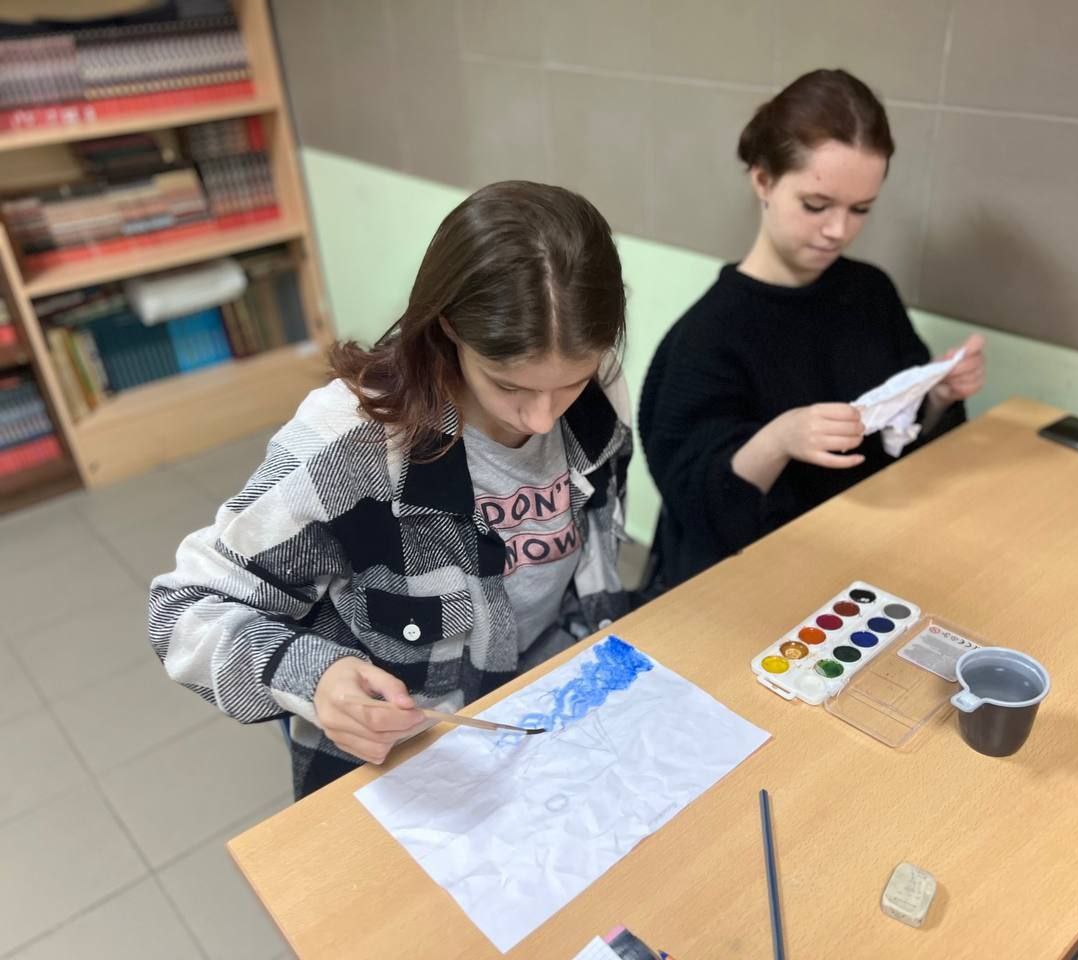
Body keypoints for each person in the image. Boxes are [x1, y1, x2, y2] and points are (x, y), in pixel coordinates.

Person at [149, 181, 633, 798]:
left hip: (548, 710)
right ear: (449, 327)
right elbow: (185, 608)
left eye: (570, 383)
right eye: (509, 385)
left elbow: (593, 559)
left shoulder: (598, 393)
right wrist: (317, 678)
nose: (541, 419)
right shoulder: (351, 442)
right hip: (408, 756)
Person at [638, 69, 986, 590]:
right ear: (763, 180)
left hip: (869, 560)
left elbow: (903, 444)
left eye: (861, 209)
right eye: (816, 205)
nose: (838, 230)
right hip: (753, 584)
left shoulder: (869, 292)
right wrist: (778, 439)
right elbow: (697, 505)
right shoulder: (704, 338)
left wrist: (936, 395)